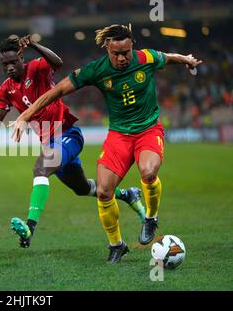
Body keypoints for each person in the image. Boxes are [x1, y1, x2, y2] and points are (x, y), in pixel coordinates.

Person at [11, 25, 202, 263]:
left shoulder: (146, 57)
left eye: (126, 52)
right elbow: (57, 91)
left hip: (148, 129)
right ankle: (116, 245)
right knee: (102, 191)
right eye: (116, 53)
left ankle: (151, 218)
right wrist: (24, 116)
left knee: (148, 171)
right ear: (107, 49)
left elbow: (167, 57)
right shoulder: (96, 70)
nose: (122, 58)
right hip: (119, 135)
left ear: (132, 45)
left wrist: (186, 59)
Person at [0, 35, 145, 249]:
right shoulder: (5, 89)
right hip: (51, 142)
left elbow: (57, 63)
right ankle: (128, 194)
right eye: (4, 64)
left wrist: (35, 45)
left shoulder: (36, 68)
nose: (9, 67)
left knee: (40, 169)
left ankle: (30, 228)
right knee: (82, 188)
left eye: (12, 62)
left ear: (21, 58)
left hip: (68, 134)